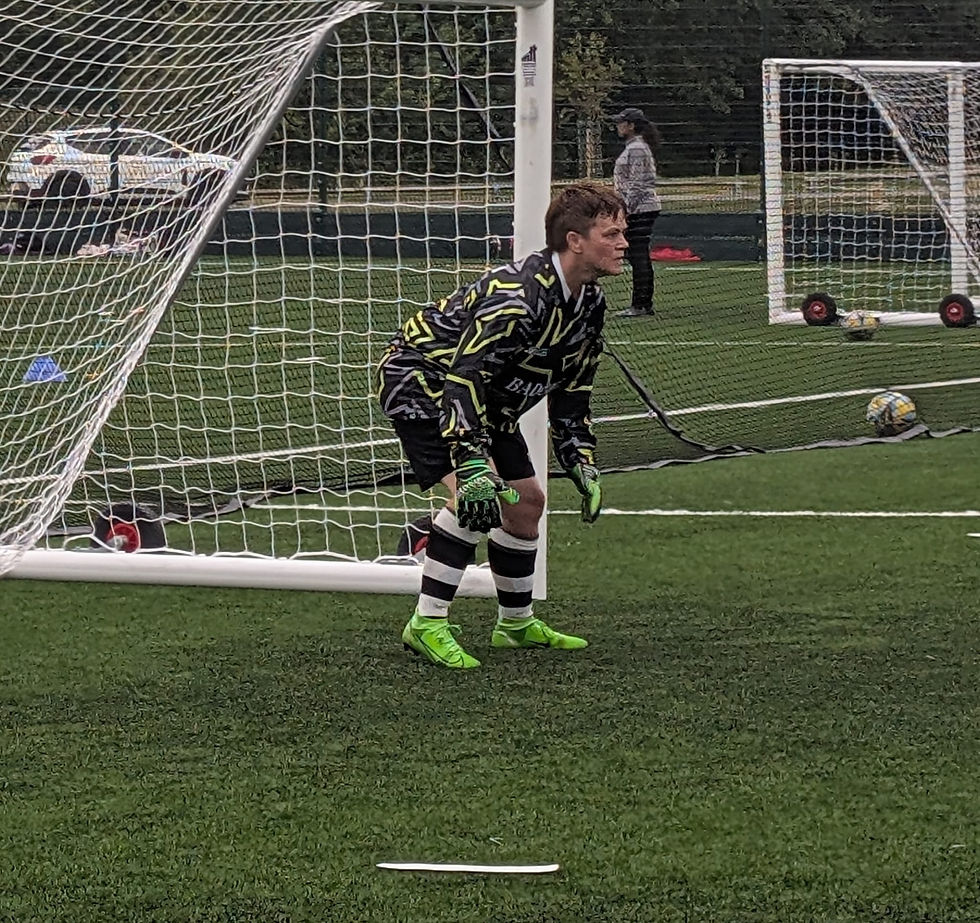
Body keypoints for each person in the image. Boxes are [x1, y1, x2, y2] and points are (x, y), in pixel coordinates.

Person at [377, 181, 627, 669]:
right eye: (611, 233)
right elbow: (462, 379)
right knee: (478, 497)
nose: (623, 243)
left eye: (624, 232)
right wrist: (472, 464)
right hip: (425, 384)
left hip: (485, 398)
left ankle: (515, 624)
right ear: (575, 241)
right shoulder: (518, 300)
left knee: (528, 504)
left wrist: (580, 458)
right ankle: (427, 624)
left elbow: (573, 389)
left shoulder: (590, 303)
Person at [612, 106, 662, 317]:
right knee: (637, 255)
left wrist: (627, 209)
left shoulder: (637, 148)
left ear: (631, 126)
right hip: (639, 208)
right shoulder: (634, 147)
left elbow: (638, 183)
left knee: (638, 255)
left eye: (621, 122)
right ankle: (641, 303)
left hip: (641, 209)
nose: (618, 126)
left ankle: (641, 304)